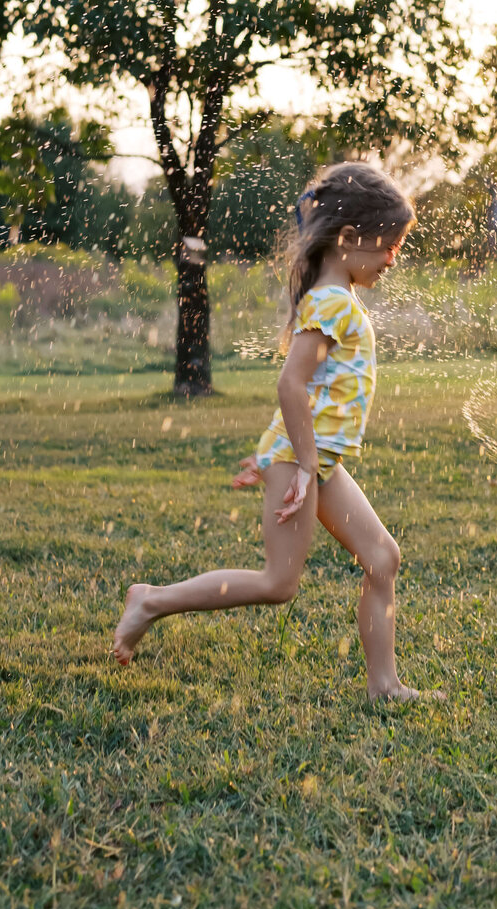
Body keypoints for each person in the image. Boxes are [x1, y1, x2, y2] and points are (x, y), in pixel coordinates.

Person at [114, 161, 438, 701]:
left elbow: (306, 395)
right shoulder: (331, 303)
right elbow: (291, 384)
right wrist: (298, 464)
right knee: (277, 583)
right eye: (388, 246)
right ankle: (150, 600)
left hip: (313, 461)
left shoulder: (338, 299)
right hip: (306, 463)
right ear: (349, 238)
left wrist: (285, 456)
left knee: (383, 558)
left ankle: (384, 684)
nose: (391, 259)